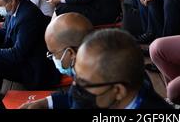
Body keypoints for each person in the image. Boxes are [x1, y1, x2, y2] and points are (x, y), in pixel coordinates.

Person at [26, 29, 171, 109]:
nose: (75, 87)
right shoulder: (111, 88)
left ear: (118, 91)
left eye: (83, 83)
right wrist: (45, 103)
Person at [19, 13, 94, 109]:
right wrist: (44, 102)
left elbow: (77, 98)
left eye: (53, 53)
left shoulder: (90, 89)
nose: (53, 58)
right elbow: (72, 96)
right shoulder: (86, 68)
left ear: (70, 53)